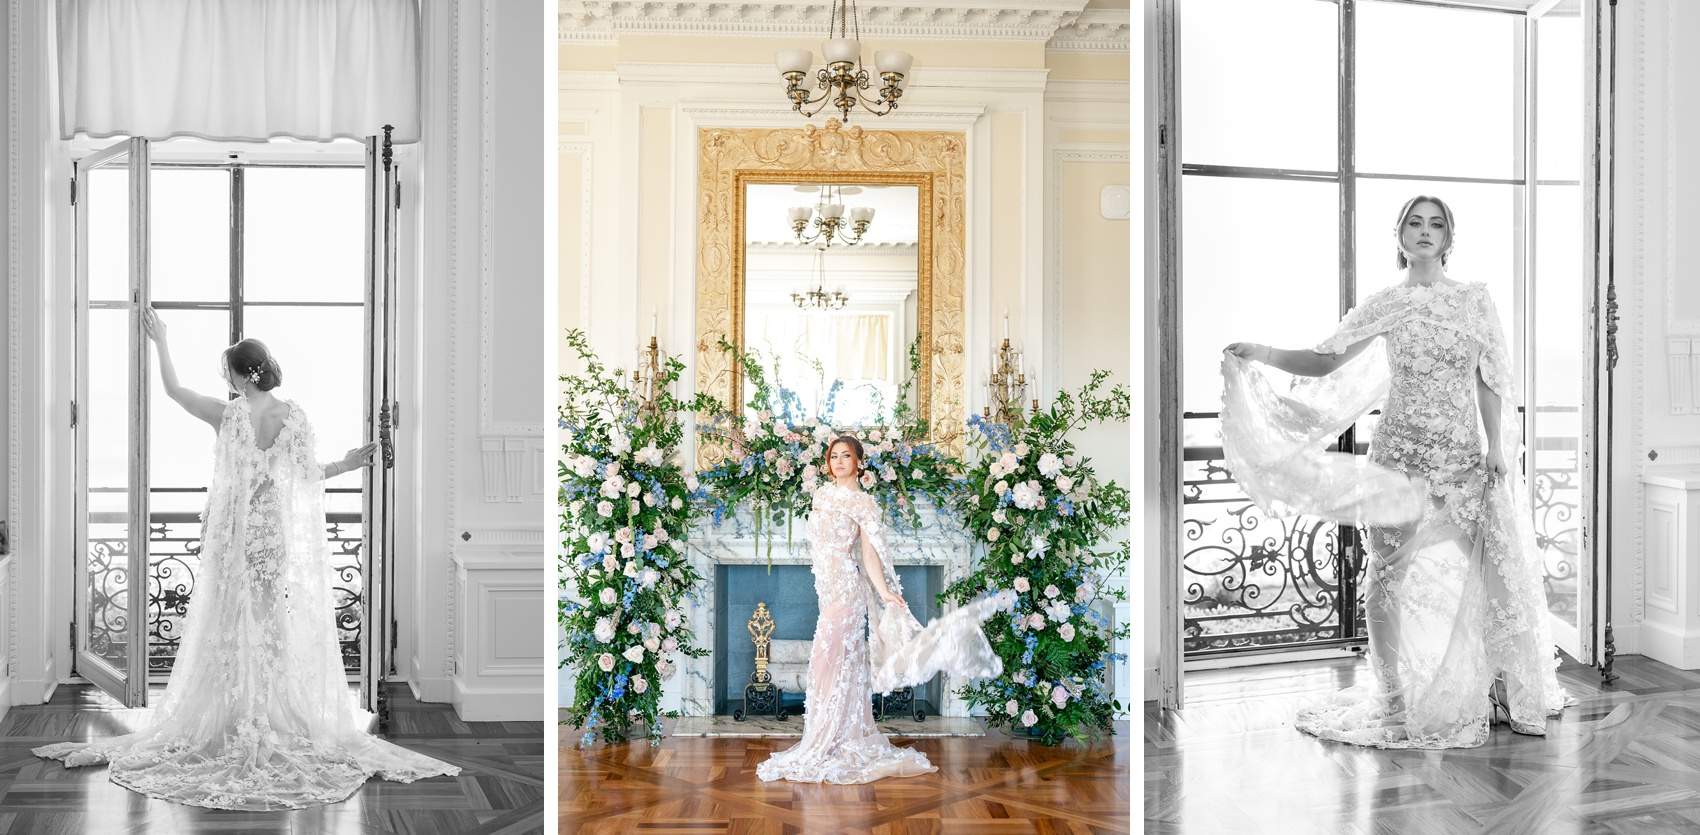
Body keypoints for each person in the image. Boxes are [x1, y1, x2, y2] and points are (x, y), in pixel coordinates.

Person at [32, 307, 459, 809]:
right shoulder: (291, 415)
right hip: (269, 534)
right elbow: (311, 473)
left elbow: (173, 392)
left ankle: (238, 715)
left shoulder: (230, 413)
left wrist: (161, 341)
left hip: (233, 534)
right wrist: (353, 460)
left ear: (241, 374)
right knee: (267, 620)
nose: (227, 381)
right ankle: (267, 713)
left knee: (227, 623)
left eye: (228, 373)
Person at [1220, 195, 1570, 749]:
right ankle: (1392, 699)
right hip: (1399, 458)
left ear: (1449, 238)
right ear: (1400, 235)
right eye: (1415, 223)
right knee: (1387, 576)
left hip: (1461, 458)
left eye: (1436, 224)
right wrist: (1261, 351)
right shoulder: (1387, 302)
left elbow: (1490, 378)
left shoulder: (1475, 301)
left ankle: (1503, 689)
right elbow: (1325, 358)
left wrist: (1497, 444)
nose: (1426, 232)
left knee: (1491, 569)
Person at [756, 435, 1008, 783]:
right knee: (840, 665)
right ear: (827, 462)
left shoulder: (864, 503)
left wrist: (885, 591)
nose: (839, 461)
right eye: (834, 456)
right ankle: (834, 735)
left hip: (846, 589)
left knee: (825, 663)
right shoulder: (822, 495)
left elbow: (869, 554)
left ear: (859, 462)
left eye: (847, 455)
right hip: (826, 588)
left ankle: (828, 741)